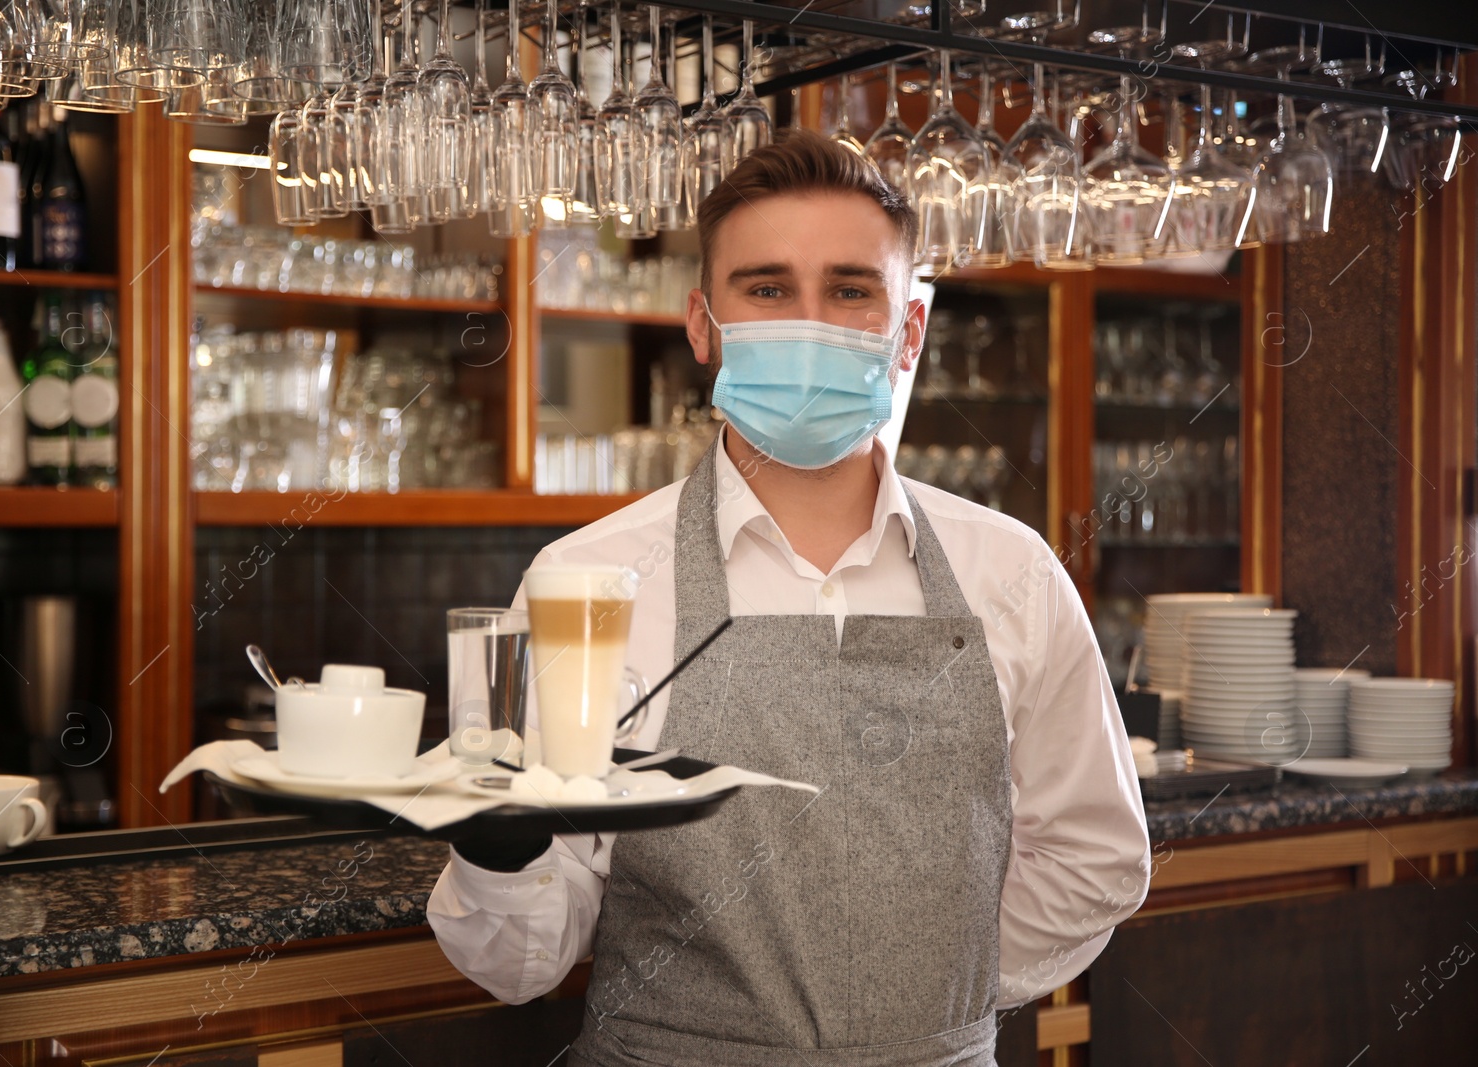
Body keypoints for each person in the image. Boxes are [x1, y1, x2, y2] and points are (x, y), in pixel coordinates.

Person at [428, 130, 1151, 1067]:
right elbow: (521, 961)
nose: (809, 321)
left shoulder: (1011, 573)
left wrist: (923, 1005)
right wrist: (497, 850)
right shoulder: (585, 585)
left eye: (851, 290)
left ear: (908, 331)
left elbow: (1094, 855)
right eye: (767, 290)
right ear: (702, 325)